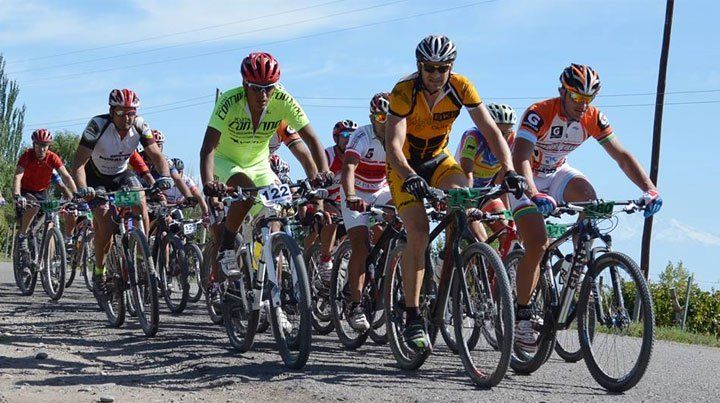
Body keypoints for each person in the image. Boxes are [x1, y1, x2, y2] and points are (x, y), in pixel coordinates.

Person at [510, 63, 662, 352]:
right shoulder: (539, 112)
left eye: (588, 99)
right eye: (577, 97)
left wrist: (649, 189)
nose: (582, 104)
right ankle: (523, 315)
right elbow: (521, 157)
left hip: (556, 172)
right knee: (538, 244)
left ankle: (576, 268)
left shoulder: (592, 117)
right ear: (563, 92)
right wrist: (533, 192)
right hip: (526, 177)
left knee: (590, 200)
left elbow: (621, 156)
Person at [385, 35, 525, 350]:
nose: (435, 74)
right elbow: (393, 146)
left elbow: (491, 130)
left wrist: (509, 169)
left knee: (465, 196)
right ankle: (412, 316)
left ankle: (453, 260)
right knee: (418, 233)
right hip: (404, 165)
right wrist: (410, 176)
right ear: (420, 66)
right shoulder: (404, 91)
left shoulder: (461, 87)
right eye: (429, 68)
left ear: (451, 68)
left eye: (442, 68)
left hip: (438, 160)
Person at [199, 52, 330, 279]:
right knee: (246, 194)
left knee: (276, 212)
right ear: (244, 84)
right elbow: (208, 147)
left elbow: (311, 140)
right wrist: (209, 183)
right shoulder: (229, 101)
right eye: (256, 88)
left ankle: (270, 274)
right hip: (226, 161)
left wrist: (323, 172)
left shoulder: (283, 100)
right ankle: (226, 248)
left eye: (269, 88)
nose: (263, 95)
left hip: (259, 164)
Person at [72, 88, 174, 294]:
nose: (127, 118)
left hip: (121, 174)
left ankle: (142, 258)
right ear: (112, 111)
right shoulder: (97, 125)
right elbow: (78, 163)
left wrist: (165, 176)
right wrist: (83, 188)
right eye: (121, 113)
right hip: (96, 177)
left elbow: (156, 155)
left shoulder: (140, 125)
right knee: (106, 223)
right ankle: (99, 272)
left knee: (140, 200)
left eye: (131, 113)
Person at [341, 93, 392, 331]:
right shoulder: (362, 135)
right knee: (360, 246)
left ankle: (387, 264)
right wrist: (351, 196)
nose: (386, 122)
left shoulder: (398, 135)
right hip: (357, 193)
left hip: (381, 190)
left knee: (406, 220)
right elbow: (349, 168)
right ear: (372, 118)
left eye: (391, 117)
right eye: (381, 117)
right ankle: (355, 304)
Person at [456, 103, 517, 243]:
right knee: (480, 239)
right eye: (498, 132)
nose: (502, 137)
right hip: (465, 188)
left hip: (486, 190)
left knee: (506, 230)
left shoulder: (512, 139)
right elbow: (467, 172)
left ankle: (497, 256)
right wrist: (469, 205)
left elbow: (503, 181)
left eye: (507, 132)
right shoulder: (473, 137)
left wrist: (508, 214)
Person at [13, 129, 78, 253]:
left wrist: (76, 195)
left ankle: (46, 254)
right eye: (38, 145)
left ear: (49, 146)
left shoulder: (52, 157)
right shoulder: (27, 155)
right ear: (34, 144)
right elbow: (18, 176)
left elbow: (66, 177)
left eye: (45, 145)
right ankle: (22, 236)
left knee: (51, 218)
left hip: (42, 192)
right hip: (26, 191)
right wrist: (17, 195)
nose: (42, 149)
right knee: (34, 206)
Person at [310, 119, 356, 288]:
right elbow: (313, 180)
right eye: (345, 134)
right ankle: (324, 260)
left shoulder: (358, 155)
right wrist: (319, 207)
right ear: (336, 138)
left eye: (353, 135)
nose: (349, 138)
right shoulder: (328, 155)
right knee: (331, 217)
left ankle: (342, 258)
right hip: (324, 199)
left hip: (346, 201)